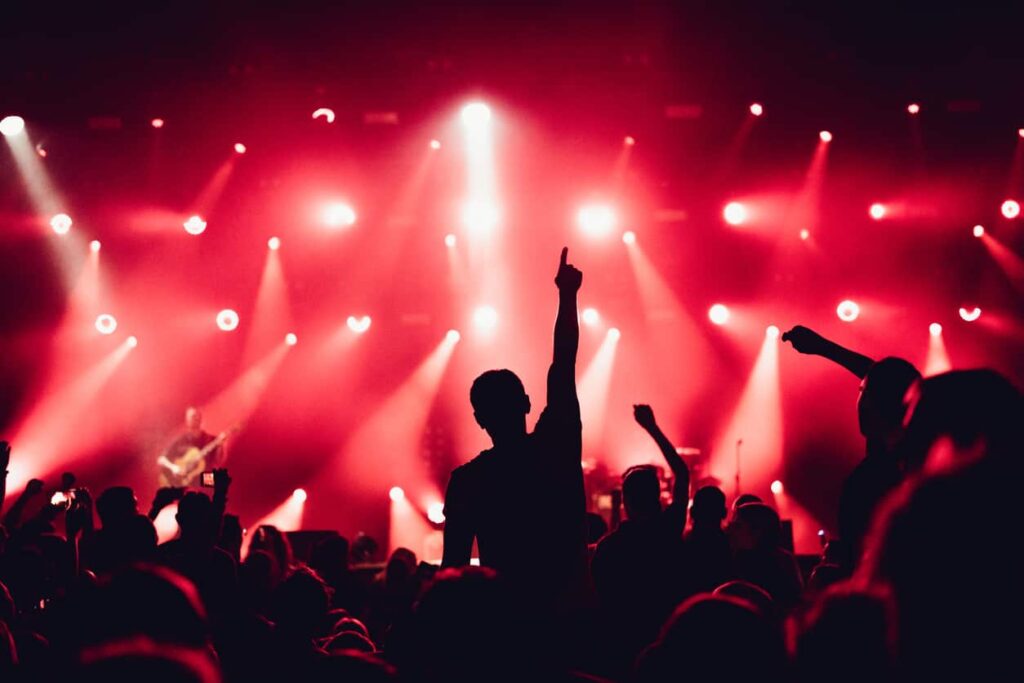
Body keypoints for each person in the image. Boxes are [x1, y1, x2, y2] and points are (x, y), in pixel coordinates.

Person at [441, 248, 587, 609]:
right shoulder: (557, 446)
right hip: (570, 617)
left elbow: (452, 571)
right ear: (526, 404)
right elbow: (563, 366)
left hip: (504, 626)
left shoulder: (467, 481)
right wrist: (567, 296)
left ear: (479, 419)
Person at [781, 326, 920, 564]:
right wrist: (822, 347)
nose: (861, 402)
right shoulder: (900, 457)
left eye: (867, 393)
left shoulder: (893, 474)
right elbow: (881, 376)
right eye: (861, 391)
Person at [589, 404, 691, 670]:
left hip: (619, 647)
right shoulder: (668, 530)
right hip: (667, 643)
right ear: (657, 497)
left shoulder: (608, 547)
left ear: (624, 501)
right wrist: (652, 428)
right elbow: (682, 473)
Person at [157, 407, 226, 488]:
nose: (196, 418)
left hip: (205, 478)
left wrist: (220, 446)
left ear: (200, 419)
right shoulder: (180, 440)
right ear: (187, 420)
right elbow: (161, 459)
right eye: (193, 416)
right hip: (185, 481)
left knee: (220, 482)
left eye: (197, 416)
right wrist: (173, 467)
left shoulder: (211, 439)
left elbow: (219, 461)